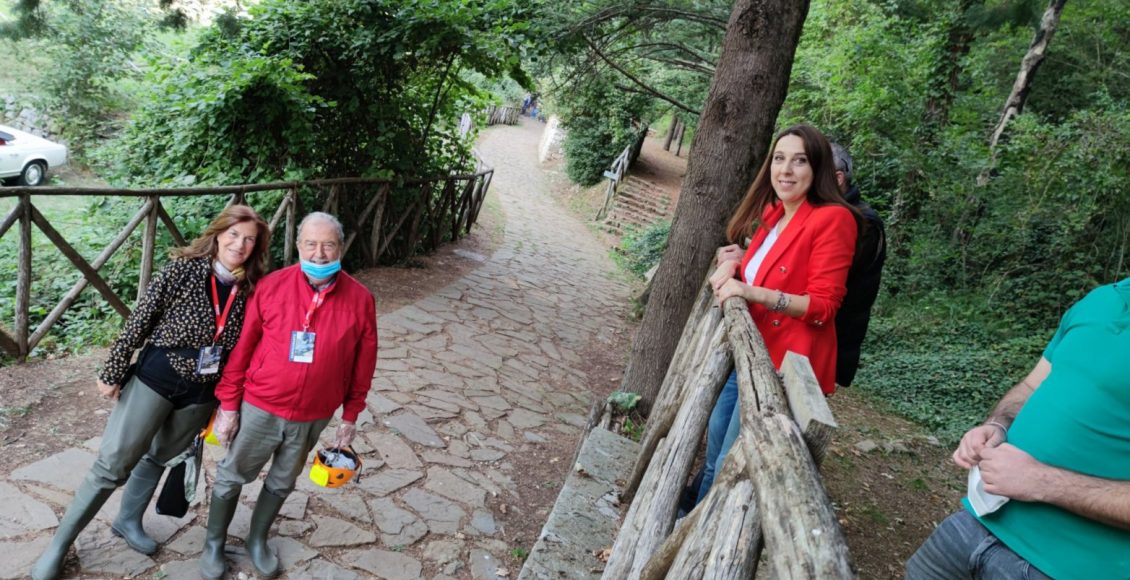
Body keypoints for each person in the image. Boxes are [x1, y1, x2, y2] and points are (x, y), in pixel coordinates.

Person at [30, 205, 271, 580]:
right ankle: (59, 546)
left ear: (257, 247)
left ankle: (127, 521)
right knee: (112, 463)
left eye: (250, 239)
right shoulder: (183, 270)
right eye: (234, 234)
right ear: (219, 233)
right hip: (158, 376)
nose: (240, 244)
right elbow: (140, 319)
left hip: (203, 389)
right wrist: (112, 370)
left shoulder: (251, 288)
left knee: (159, 456)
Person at [906, 278, 1130, 580]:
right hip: (976, 523)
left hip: (1064, 568)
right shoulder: (1101, 300)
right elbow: (1030, 386)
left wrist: (1043, 481)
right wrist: (997, 424)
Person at [199, 211, 378, 580]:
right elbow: (242, 349)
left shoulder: (360, 299)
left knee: (282, 480)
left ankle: (257, 540)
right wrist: (229, 406)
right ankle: (214, 544)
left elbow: (364, 362)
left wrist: (350, 416)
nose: (319, 253)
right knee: (232, 475)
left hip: (314, 413)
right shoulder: (271, 286)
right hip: (261, 404)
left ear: (341, 247)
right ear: (298, 246)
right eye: (310, 244)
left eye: (328, 244)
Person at [694, 124, 858, 503]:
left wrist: (752, 292)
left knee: (731, 462)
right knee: (715, 446)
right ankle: (688, 517)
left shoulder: (834, 219)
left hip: (783, 364)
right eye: (779, 159)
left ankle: (700, 545)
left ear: (816, 168)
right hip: (749, 349)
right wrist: (733, 263)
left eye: (799, 161)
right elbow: (757, 264)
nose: (786, 169)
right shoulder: (776, 210)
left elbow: (824, 305)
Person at [829, 142, 886, 388]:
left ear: (838, 178)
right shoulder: (837, 214)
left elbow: (827, 279)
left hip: (830, 339)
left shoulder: (863, 223)